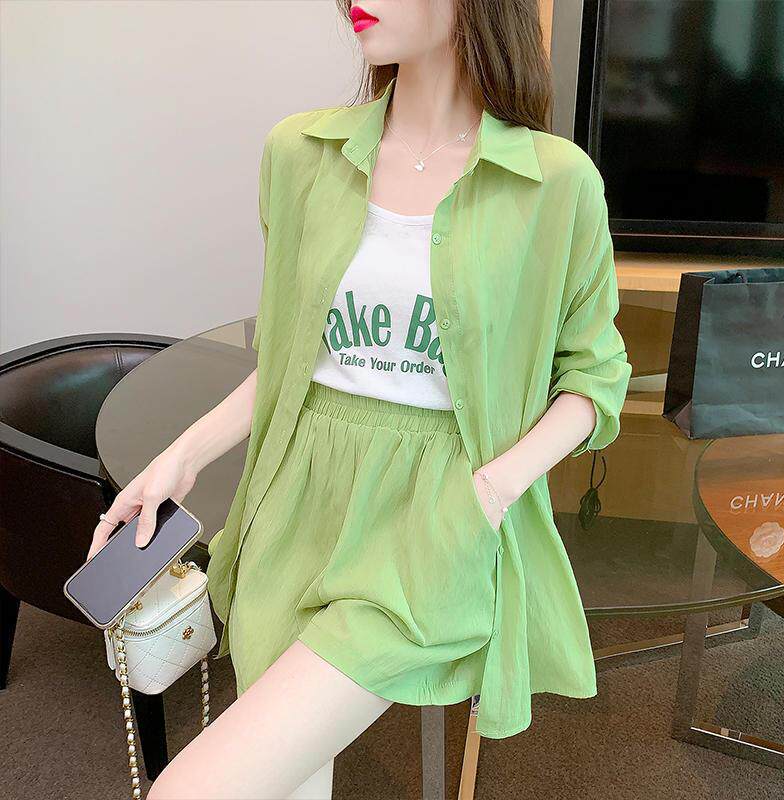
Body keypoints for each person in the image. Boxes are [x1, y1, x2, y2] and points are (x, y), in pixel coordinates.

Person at [87, 2, 632, 798]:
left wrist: (489, 490)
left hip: (430, 521)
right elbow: (291, 357)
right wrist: (182, 457)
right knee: (290, 783)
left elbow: (595, 376)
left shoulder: (555, 182)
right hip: (296, 500)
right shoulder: (299, 153)